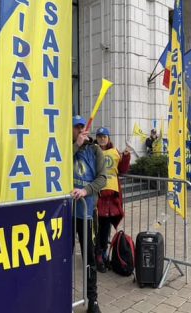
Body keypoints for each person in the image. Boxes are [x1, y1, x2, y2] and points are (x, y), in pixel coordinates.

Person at [71, 116, 105, 313]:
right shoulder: (67, 148)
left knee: (89, 257)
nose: (80, 130)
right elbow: (60, 164)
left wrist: (86, 190)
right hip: (66, 213)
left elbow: (102, 178)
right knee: (64, 256)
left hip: (87, 212)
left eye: (82, 127)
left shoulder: (95, 150)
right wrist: (76, 145)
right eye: (76, 127)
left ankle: (93, 299)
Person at [93, 127, 130, 273]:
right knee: (97, 229)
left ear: (108, 138)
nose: (102, 139)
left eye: (104, 136)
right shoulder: (92, 151)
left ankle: (103, 254)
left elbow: (122, 169)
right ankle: (97, 256)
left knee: (106, 228)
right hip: (97, 195)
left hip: (111, 198)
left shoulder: (115, 152)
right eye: (99, 136)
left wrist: (126, 157)